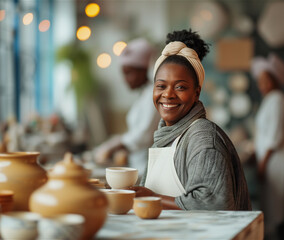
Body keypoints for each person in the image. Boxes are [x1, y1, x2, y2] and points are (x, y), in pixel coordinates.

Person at [129, 29, 251, 211]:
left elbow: (214, 203)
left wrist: (153, 198)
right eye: (161, 86)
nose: (168, 94)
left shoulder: (202, 136)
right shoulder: (163, 137)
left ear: (196, 93)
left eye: (180, 87)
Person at [251, 53, 284, 239]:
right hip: (277, 158)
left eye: (266, 80)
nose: (261, 84)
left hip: (277, 159)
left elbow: (275, 135)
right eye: (259, 81)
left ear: (275, 80)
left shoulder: (277, 100)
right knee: (282, 205)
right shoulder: (272, 99)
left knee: (281, 205)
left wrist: (263, 163)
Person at [94, 38, 160, 174]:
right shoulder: (144, 95)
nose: (125, 80)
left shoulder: (154, 95)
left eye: (129, 73)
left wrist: (112, 147)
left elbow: (143, 135)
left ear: (144, 70)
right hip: (138, 165)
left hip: (148, 168)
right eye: (123, 74)